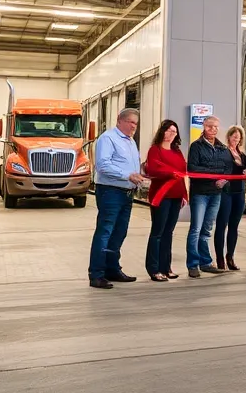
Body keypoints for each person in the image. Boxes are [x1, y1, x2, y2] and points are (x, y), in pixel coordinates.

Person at [88, 108, 146, 288]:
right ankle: (96, 274)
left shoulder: (130, 142)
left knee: (119, 232)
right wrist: (127, 175)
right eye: (130, 122)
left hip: (126, 193)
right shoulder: (108, 138)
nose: (133, 127)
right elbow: (102, 165)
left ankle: (112, 269)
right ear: (119, 121)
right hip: (110, 192)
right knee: (105, 232)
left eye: (135, 123)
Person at [186, 115, 229, 278]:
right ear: (204, 127)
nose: (213, 130)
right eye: (210, 126)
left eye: (216, 127)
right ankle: (192, 264)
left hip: (216, 194)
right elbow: (193, 168)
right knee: (196, 229)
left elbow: (227, 168)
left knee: (206, 230)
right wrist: (215, 174)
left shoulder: (222, 148)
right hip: (200, 193)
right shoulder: (196, 146)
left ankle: (205, 262)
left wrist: (222, 180)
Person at [143, 119, 186, 281]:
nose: (171, 134)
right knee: (158, 232)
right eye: (168, 130)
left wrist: (184, 195)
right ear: (162, 131)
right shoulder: (155, 150)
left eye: (174, 132)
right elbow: (153, 169)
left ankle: (165, 267)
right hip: (161, 196)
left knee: (169, 232)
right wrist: (170, 172)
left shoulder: (177, 151)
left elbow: (182, 173)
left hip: (176, 195)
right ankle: (154, 269)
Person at [213, 125, 246, 270]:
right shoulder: (223, 152)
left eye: (238, 137)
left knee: (234, 226)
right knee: (222, 225)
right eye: (234, 136)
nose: (236, 138)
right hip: (226, 192)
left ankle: (230, 256)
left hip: (239, 192)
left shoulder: (242, 154)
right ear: (228, 136)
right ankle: (220, 258)